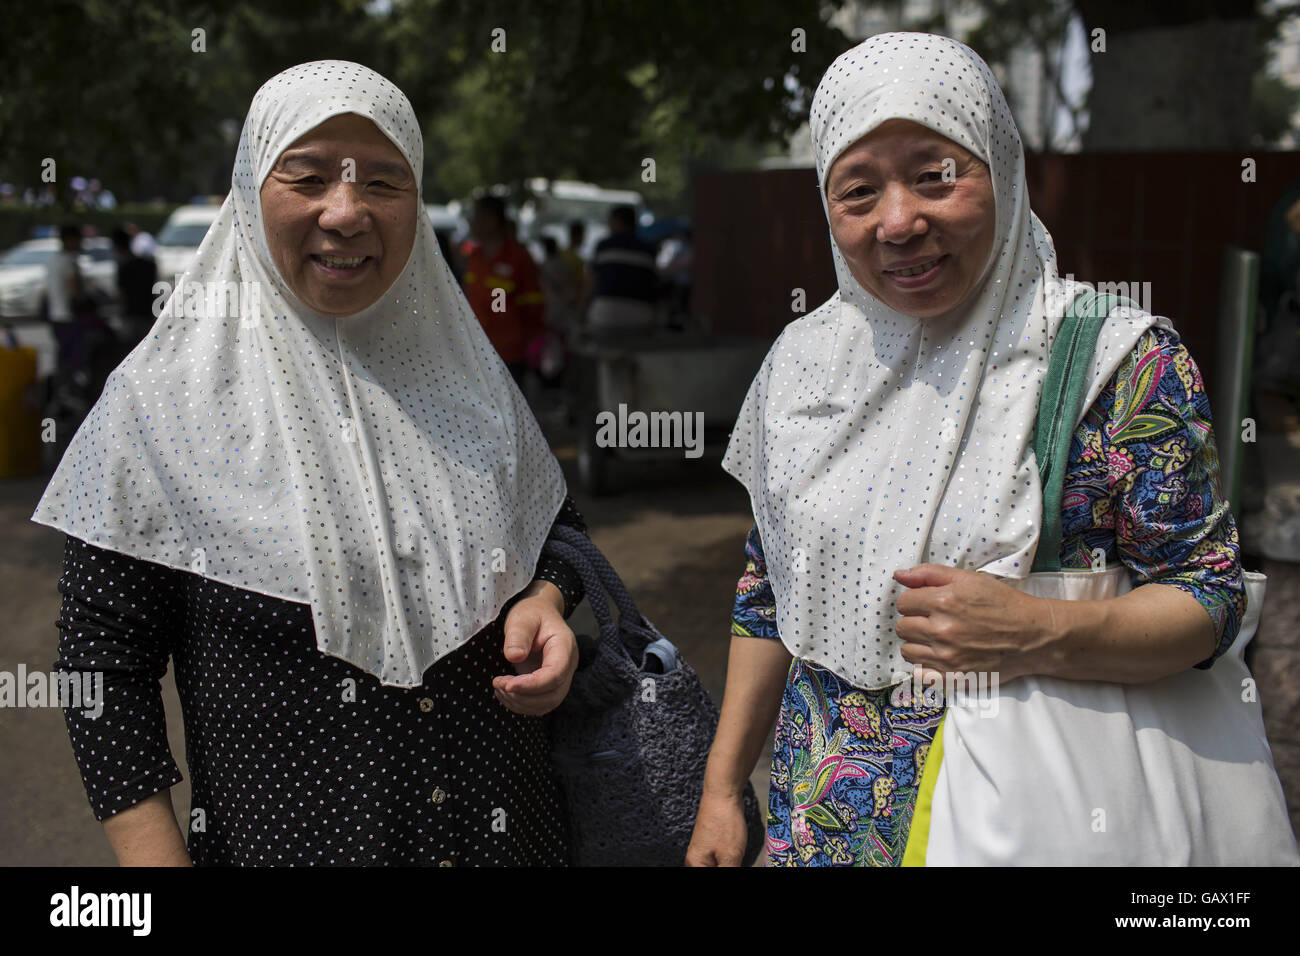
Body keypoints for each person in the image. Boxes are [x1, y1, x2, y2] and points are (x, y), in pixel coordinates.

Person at [687, 32, 1298, 867]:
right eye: (858, 190)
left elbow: (1211, 597)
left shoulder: (1118, 365)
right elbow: (769, 587)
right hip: (819, 823)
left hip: (1036, 817)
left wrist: (1039, 631)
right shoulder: (803, 365)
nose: (899, 222)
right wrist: (725, 788)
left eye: (937, 173)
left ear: (1002, 166)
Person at [34, 61, 591, 867]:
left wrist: (547, 601)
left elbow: (561, 533)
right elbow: (100, 672)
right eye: (308, 175)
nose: (346, 211)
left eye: (385, 182)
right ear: (249, 190)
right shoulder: (159, 408)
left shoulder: (469, 379)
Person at [461, 195, 545, 383]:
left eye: (475, 217)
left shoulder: (518, 257)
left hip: (509, 355)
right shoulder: (474, 257)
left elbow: (534, 307)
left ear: (490, 220)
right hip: (475, 351)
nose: (471, 223)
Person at [583, 204, 657, 340]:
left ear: (617, 221)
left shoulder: (604, 246)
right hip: (640, 319)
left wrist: (581, 311)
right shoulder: (648, 249)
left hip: (604, 318)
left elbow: (590, 283)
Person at [109, 226, 157, 351]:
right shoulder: (149, 264)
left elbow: (121, 294)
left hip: (131, 314)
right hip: (147, 312)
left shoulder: (124, 267)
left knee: (129, 350)